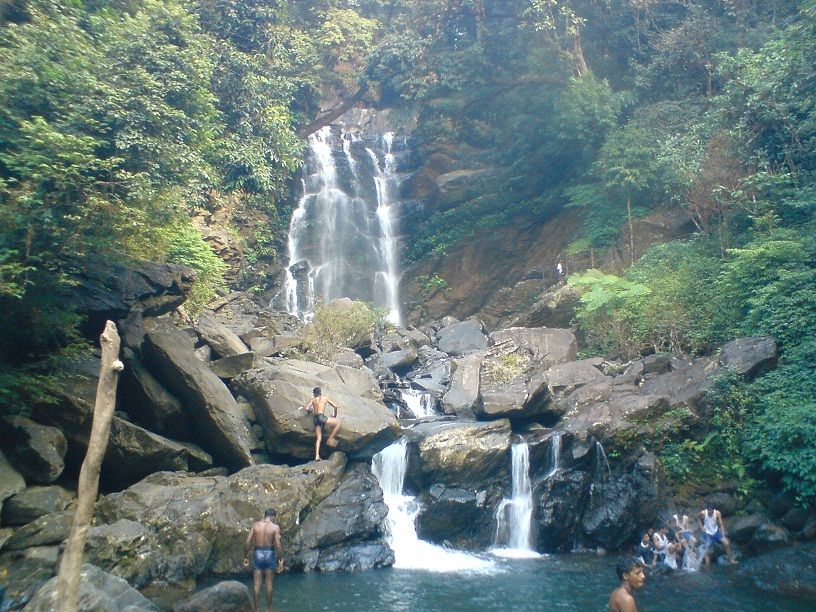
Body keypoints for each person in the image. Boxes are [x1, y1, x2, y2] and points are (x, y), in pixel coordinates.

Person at [244, 508, 284, 612]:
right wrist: (280, 560)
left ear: (265, 515)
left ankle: (256, 610)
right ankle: (268, 609)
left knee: (257, 583)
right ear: (273, 517)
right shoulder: (275, 527)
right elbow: (278, 545)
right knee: (269, 583)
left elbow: (247, 542)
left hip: (258, 553)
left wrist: (246, 556)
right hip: (270, 554)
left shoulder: (255, 525)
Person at [302, 386, 341, 461]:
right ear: (320, 393)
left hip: (316, 419)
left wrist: (311, 411)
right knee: (338, 422)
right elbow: (335, 406)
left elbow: (307, 408)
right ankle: (330, 439)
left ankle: (317, 456)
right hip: (322, 417)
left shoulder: (313, 400)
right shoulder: (324, 398)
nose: (313, 394)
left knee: (319, 438)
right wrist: (335, 415)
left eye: (313, 393)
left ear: (315, 393)